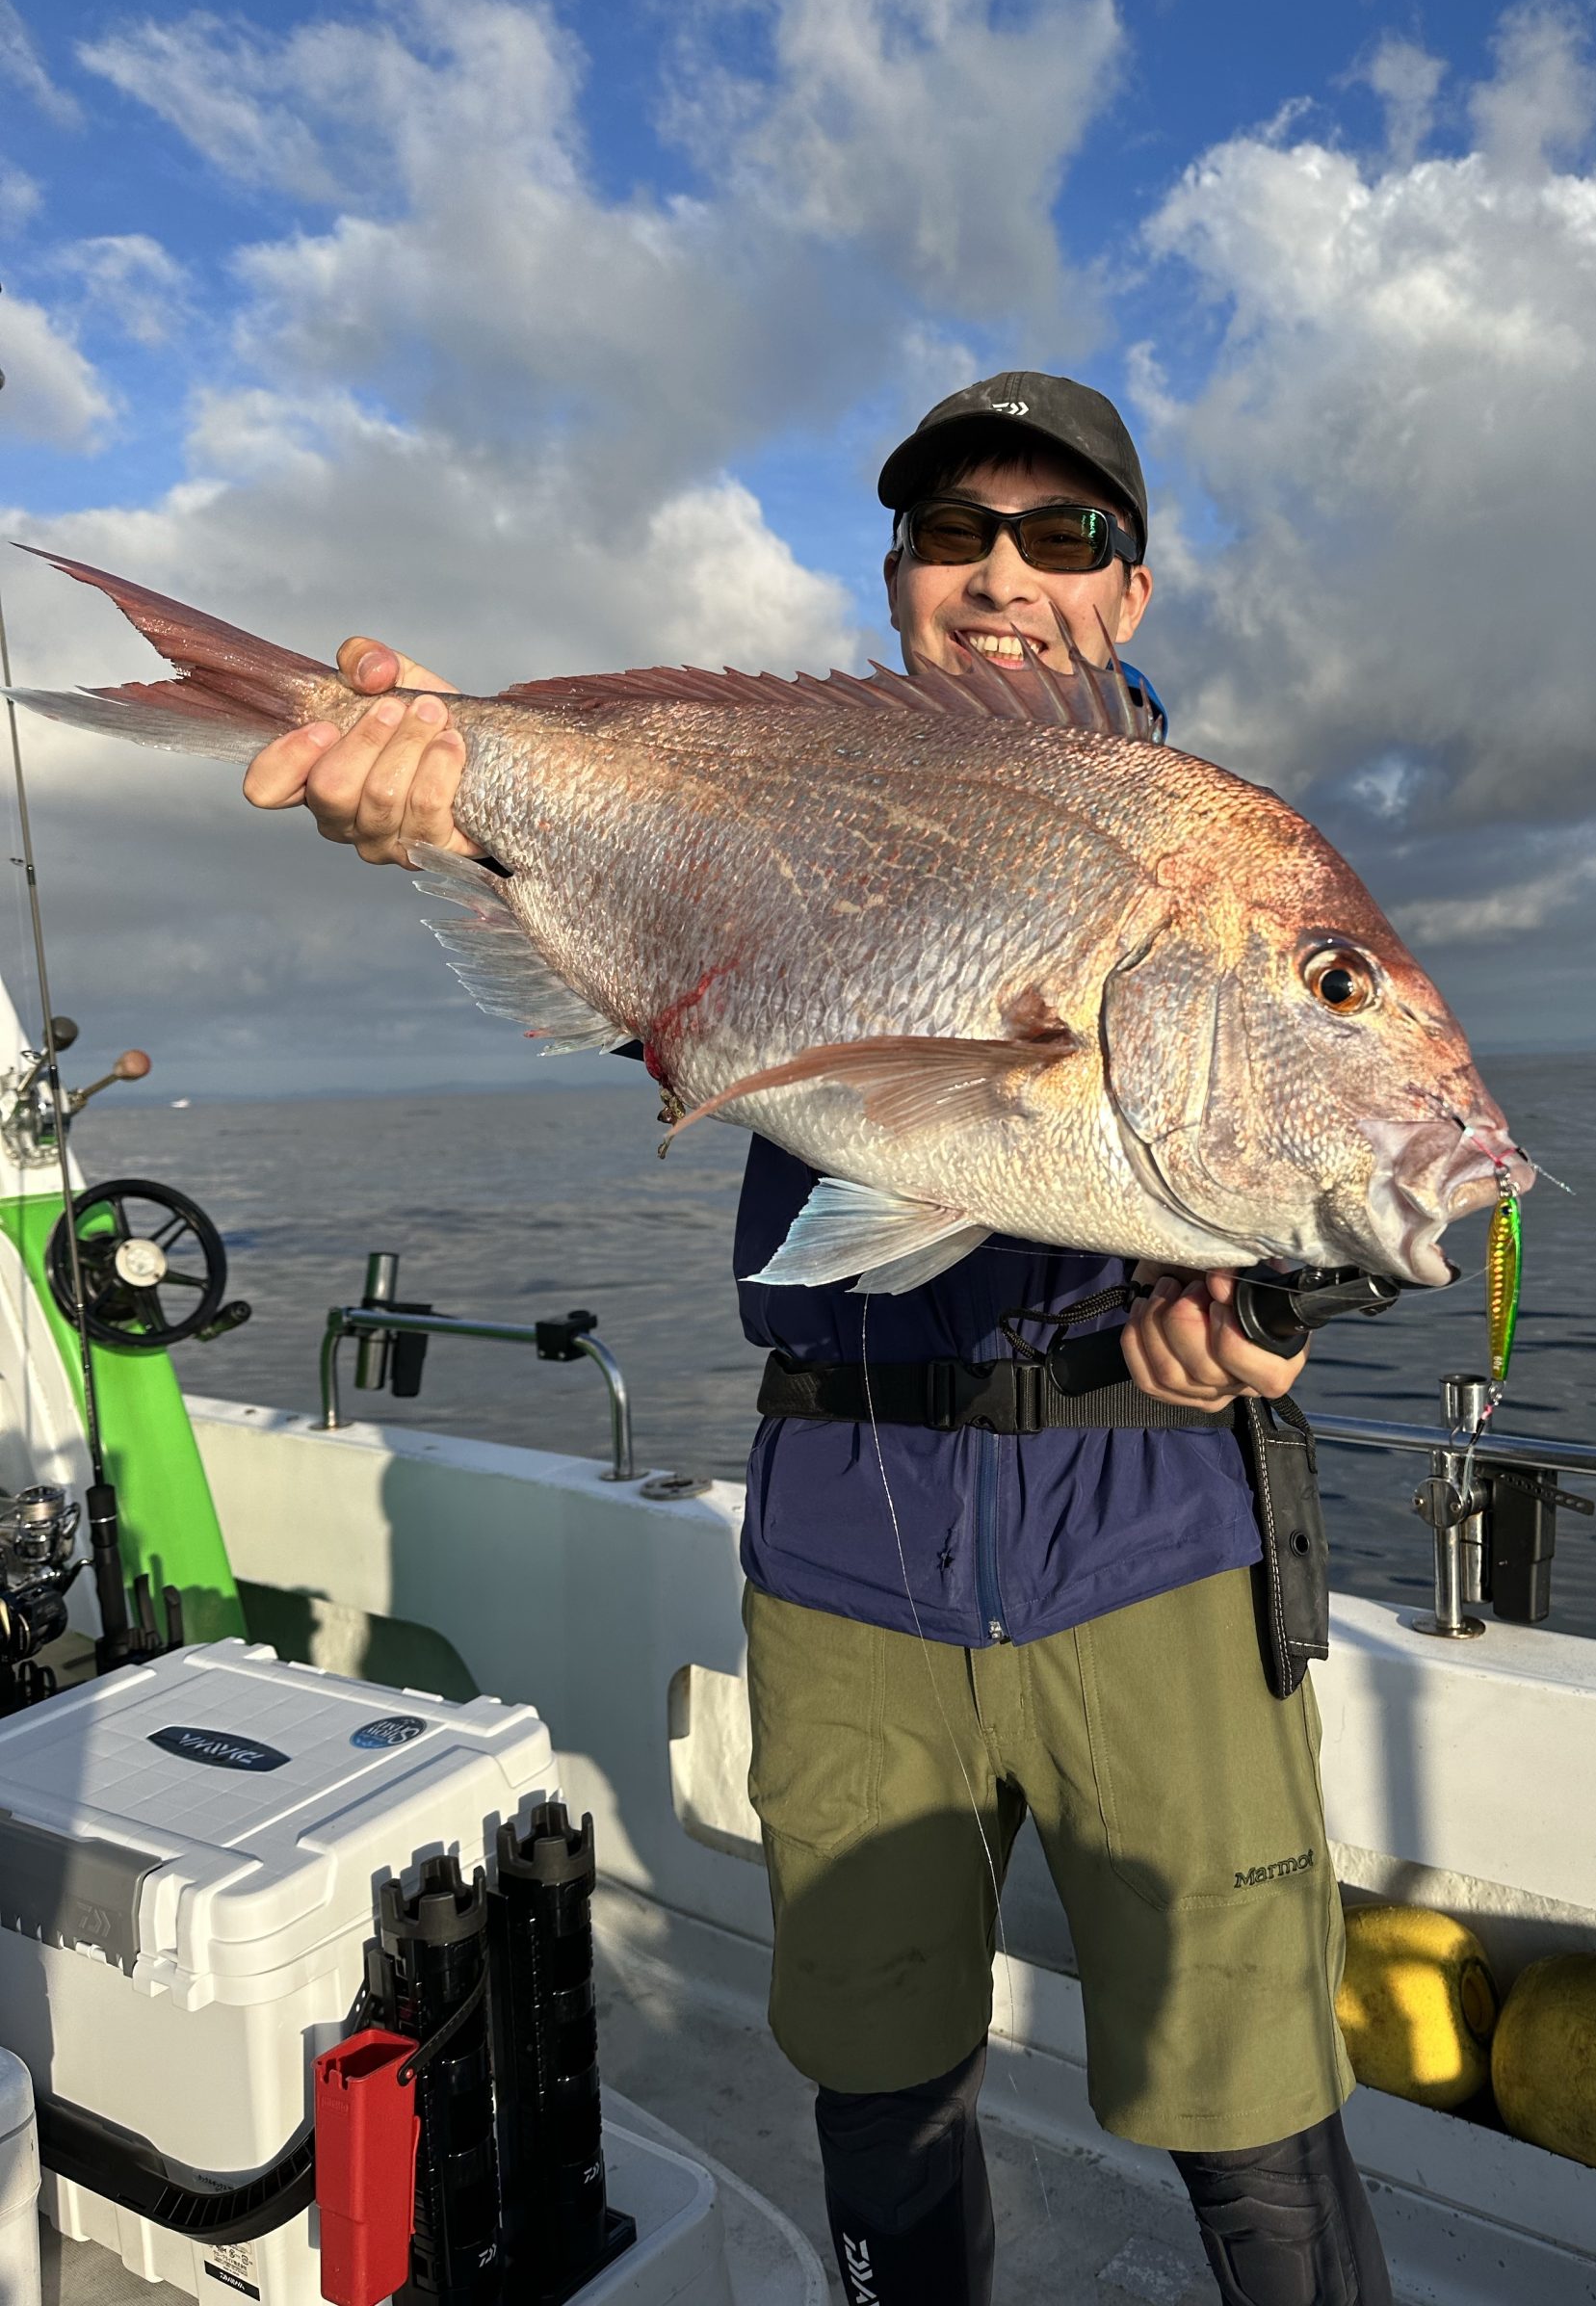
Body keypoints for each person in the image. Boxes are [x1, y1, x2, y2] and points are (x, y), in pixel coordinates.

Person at [245, 373, 1393, 2306]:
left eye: (1062, 534)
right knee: (881, 2070)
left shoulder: (1228, 862)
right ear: (895, 581)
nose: (1004, 572)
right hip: (851, 1536)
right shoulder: (796, 799)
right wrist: (450, 804)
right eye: (956, 532)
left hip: (1155, 1538)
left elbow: (1365, 1148)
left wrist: (1275, 1312)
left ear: (1131, 585)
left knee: (1251, 2096)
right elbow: (625, 898)